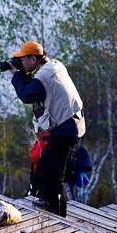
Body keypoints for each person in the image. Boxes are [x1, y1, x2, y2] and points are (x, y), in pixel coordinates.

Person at [7, 41, 85, 217]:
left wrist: (16, 76)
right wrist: (22, 71)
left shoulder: (42, 77)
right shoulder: (53, 65)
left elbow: (28, 95)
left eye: (22, 59)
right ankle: (50, 205)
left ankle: (56, 213)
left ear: (33, 59)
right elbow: (37, 85)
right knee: (46, 165)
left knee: (53, 172)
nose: (21, 62)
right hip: (70, 125)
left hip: (66, 129)